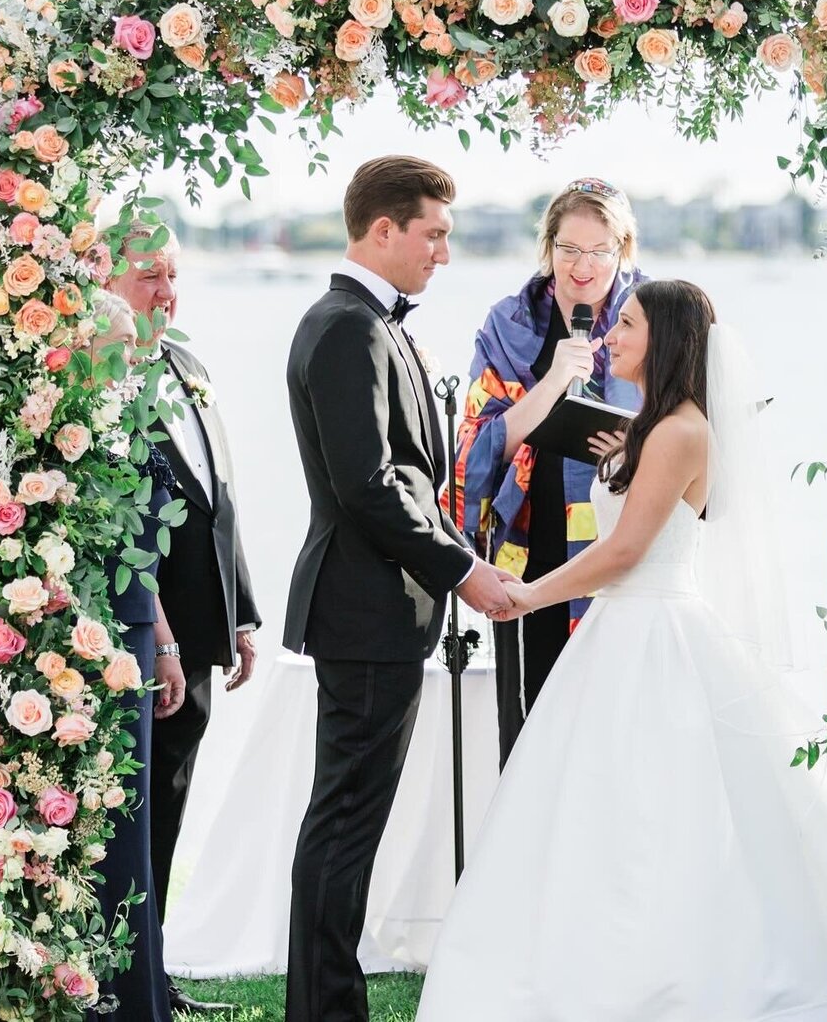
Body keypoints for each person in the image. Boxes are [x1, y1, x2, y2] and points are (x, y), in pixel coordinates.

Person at [418, 281, 827, 1022]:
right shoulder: (650, 427)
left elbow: (626, 551)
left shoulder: (681, 431)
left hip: (653, 629)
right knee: (599, 806)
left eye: (625, 325)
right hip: (619, 630)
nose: (611, 337)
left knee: (660, 805)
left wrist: (529, 593)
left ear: (664, 340)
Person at [282, 155, 515, 1022]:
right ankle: (327, 1010)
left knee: (347, 819)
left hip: (379, 609)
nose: (442, 254)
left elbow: (413, 484)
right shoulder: (348, 328)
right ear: (385, 229)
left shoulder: (372, 323)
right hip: (366, 608)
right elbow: (369, 487)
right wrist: (461, 570)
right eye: (435, 234)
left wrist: (465, 553)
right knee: (345, 822)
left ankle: (324, 1005)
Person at [110, 224, 260, 1018]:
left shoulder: (186, 365)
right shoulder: (100, 379)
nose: (166, 293)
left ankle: (153, 969)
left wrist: (240, 615)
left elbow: (215, 499)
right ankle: (129, 980)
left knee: (171, 803)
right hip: (142, 636)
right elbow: (126, 524)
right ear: (106, 276)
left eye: (173, 276)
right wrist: (161, 637)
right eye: (149, 277)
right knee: (134, 815)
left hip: (200, 631)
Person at [452, 178, 643, 765]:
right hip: (532, 544)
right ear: (547, 247)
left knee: (617, 725)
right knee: (537, 723)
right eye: (568, 249)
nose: (582, 266)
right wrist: (555, 381)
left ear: (623, 251)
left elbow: (686, 421)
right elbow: (478, 450)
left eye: (599, 251)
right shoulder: (509, 322)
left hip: (623, 539)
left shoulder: (650, 315)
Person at [90, 293, 186, 1022]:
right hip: (89, 647)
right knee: (104, 824)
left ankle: (141, 998)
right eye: (111, 348)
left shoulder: (130, 423)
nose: (127, 361)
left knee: (135, 826)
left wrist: (166, 642)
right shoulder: (72, 433)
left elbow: (143, 554)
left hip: (133, 633)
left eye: (130, 348)